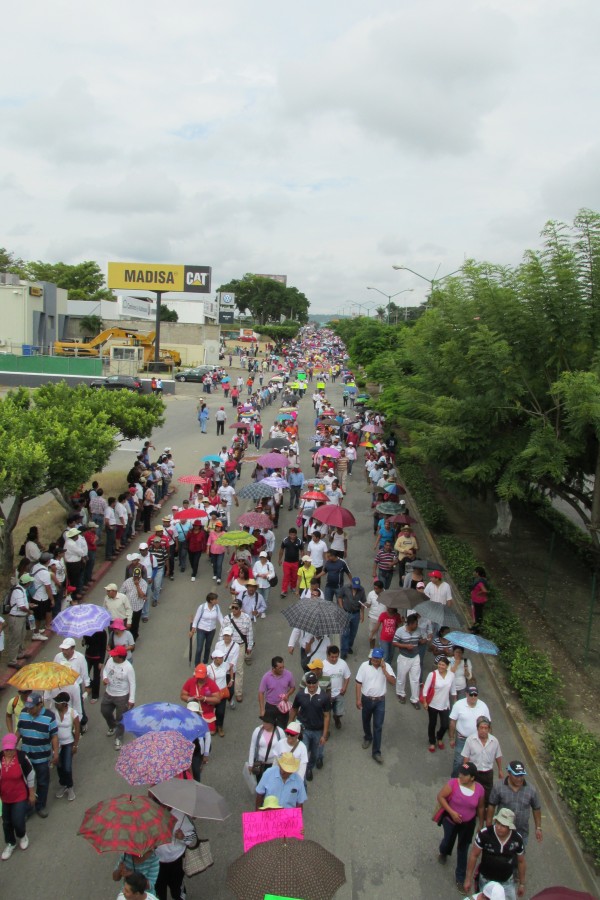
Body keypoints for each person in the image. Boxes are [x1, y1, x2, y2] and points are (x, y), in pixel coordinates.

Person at [436, 761, 485, 891]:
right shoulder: (453, 783)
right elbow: (440, 797)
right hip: (450, 822)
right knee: (447, 841)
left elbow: (480, 807)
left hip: (468, 824)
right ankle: (443, 851)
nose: (461, 776)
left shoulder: (479, 789)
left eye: (465, 774)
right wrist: (452, 813)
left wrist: (481, 824)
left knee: (463, 849)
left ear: (472, 777)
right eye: (460, 773)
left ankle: (460, 877)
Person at [464, 808, 526, 900]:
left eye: (503, 825)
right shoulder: (484, 834)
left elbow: (521, 861)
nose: (498, 827)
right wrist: (468, 878)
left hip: (506, 882)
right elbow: (474, 855)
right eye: (497, 823)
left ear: (510, 827)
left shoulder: (517, 839)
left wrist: (522, 884)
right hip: (486, 881)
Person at [16, 692, 58, 818]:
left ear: (40, 705)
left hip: (42, 757)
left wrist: (56, 753)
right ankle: (28, 808)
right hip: (26, 757)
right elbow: (19, 731)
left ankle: (40, 806)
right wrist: (12, 746)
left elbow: (54, 736)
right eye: (28, 707)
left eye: (32, 707)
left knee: (42, 782)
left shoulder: (50, 716)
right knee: (25, 783)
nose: (29, 710)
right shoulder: (23, 713)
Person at [487, 761, 543, 848]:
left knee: (518, 859)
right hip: (500, 831)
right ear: (509, 773)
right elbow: (491, 805)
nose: (519, 778)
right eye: (516, 776)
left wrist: (538, 828)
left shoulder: (531, 790)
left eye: (521, 775)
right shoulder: (498, 787)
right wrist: (489, 824)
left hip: (521, 833)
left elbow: (536, 808)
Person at [355, 648, 396, 765]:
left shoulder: (386, 666)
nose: (375, 660)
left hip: (380, 701)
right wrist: (358, 699)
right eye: (373, 658)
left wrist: (384, 670)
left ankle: (376, 752)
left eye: (377, 659)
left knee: (378, 726)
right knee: (366, 721)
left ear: (381, 659)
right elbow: (358, 683)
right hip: (366, 699)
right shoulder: (364, 666)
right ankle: (368, 737)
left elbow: (393, 682)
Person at [289, 672, 331, 782]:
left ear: (317, 683)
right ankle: (306, 770)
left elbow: (327, 716)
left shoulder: (324, 696)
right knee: (303, 751)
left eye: (313, 683)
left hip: (318, 730)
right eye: (309, 683)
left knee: (315, 753)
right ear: (306, 683)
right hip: (304, 729)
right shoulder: (300, 695)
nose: (311, 686)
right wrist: (289, 725)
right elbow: (294, 709)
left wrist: (324, 734)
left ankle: (311, 765)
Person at [0, 732, 35, 860]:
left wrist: (31, 793)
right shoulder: (0, 759)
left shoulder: (21, 758)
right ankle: (10, 843)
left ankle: (22, 835)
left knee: (18, 821)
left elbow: (30, 774)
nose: (9, 752)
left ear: (15, 747)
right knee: (7, 822)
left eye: (11, 749)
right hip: (5, 797)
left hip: (19, 795)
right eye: (6, 750)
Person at [154, 806, 197, 900]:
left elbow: (193, 836)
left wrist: (183, 837)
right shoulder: (150, 816)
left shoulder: (181, 815)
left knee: (177, 889)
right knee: (159, 890)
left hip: (177, 861)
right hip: (157, 862)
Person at [449, 687, 491, 777]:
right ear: (466, 694)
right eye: (471, 694)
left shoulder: (483, 706)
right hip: (462, 739)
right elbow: (452, 722)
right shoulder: (458, 704)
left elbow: (488, 724)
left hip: (477, 739)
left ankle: (470, 780)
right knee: (459, 760)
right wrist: (452, 738)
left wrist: (488, 739)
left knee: (474, 761)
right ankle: (454, 780)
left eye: (475, 695)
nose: (473, 697)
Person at [101, 646, 136, 751]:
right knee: (105, 711)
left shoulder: (128, 667)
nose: (112, 655)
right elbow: (105, 671)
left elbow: (132, 683)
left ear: (120, 657)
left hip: (122, 696)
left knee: (120, 718)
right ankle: (112, 726)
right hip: (109, 693)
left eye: (115, 654)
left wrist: (131, 699)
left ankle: (118, 737)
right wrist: (105, 678)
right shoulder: (110, 660)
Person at [462, 716, 503, 805]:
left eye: (486, 728)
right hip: (474, 773)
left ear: (489, 729)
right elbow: (466, 757)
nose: (483, 730)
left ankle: (484, 812)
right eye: (481, 728)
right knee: (472, 793)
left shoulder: (494, 741)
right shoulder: (470, 740)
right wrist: (465, 771)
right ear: (477, 728)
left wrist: (500, 770)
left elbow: (498, 756)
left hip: (488, 773)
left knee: (487, 796)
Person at [422, 656, 456, 753]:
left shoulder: (451, 675)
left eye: (443, 665)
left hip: (445, 704)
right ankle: (432, 741)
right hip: (433, 704)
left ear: (447, 666)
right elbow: (425, 689)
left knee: (445, 725)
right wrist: (425, 701)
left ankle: (439, 737)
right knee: (432, 723)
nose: (440, 666)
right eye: (439, 664)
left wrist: (455, 702)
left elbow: (453, 690)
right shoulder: (432, 674)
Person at [53, 691, 80, 802]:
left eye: (58, 703)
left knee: (67, 766)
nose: (56, 704)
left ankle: (70, 787)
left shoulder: (73, 713)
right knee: (59, 766)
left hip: (69, 743)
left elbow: (77, 729)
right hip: (57, 744)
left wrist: (75, 745)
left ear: (64, 704)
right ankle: (63, 784)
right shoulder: (53, 712)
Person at [180, 664, 221, 734]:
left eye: (201, 677)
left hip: (207, 714)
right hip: (193, 714)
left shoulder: (211, 683)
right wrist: (191, 698)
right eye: (198, 676)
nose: (200, 678)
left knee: (211, 732)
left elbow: (217, 699)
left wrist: (205, 699)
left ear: (206, 675)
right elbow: (182, 696)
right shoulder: (190, 681)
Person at [247, 712, 285, 784]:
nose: (264, 724)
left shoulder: (280, 732)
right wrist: (250, 763)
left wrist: (282, 765)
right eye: (264, 721)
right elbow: (252, 746)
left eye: (267, 722)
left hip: (274, 765)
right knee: (260, 783)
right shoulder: (257, 730)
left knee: (271, 783)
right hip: (260, 764)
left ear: (272, 723)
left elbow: (283, 749)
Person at [258, 657, 296, 729]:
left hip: (283, 706)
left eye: (283, 667)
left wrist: (287, 695)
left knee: (282, 728)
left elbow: (293, 687)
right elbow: (261, 693)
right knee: (268, 727)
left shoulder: (288, 674)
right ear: (274, 668)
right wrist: (262, 710)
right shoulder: (266, 677)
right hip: (270, 706)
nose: (282, 669)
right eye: (280, 668)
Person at [393, 613, 422, 709]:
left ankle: (415, 699)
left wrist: (423, 641)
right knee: (401, 677)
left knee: (415, 679)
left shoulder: (418, 630)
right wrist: (405, 646)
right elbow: (394, 642)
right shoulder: (400, 631)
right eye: (415, 624)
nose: (417, 625)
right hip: (404, 657)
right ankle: (400, 693)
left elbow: (420, 640)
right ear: (409, 624)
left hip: (415, 657)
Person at [5, 573, 33, 669]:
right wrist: (29, 611)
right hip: (16, 617)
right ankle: (12, 661)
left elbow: (22, 604)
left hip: (20, 617)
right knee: (15, 639)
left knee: (21, 636)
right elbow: (21, 606)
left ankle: (20, 653)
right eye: (30, 582)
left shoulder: (21, 590)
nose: (30, 583)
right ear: (27, 583)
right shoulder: (18, 591)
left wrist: (29, 605)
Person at [322, 645, 351, 730]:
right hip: (327, 694)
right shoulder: (323, 665)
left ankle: (337, 718)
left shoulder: (343, 663)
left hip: (339, 693)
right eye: (332, 657)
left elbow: (347, 676)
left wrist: (344, 687)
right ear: (328, 655)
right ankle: (325, 730)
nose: (334, 659)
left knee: (339, 713)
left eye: (336, 657)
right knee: (326, 713)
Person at [191, 592, 223, 666]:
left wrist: (224, 626)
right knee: (199, 648)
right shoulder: (202, 607)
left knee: (208, 647)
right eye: (215, 599)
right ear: (211, 600)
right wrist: (194, 627)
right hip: (201, 629)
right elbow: (196, 618)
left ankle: (205, 662)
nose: (217, 601)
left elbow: (220, 617)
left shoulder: (217, 607)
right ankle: (197, 665)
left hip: (211, 630)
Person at [338, 576, 365, 659]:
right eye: (354, 587)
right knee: (345, 633)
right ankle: (343, 651)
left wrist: (362, 613)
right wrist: (342, 608)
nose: (356, 589)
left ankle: (349, 646)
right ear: (351, 584)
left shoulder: (362, 590)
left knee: (353, 633)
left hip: (356, 614)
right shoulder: (345, 588)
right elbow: (339, 597)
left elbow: (363, 602)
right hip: (346, 612)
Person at [82, 628, 108, 704]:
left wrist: (101, 661)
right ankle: (91, 685)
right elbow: (85, 643)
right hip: (88, 656)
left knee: (96, 676)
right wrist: (84, 641)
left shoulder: (102, 632)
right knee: (84, 674)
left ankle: (95, 695)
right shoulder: (86, 631)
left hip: (98, 657)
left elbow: (103, 647)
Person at [278, 527, 303, 597]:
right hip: (287, 562)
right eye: (291, 535)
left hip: (296, 562)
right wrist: (279, 559)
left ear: (296, 534)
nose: (292, 536)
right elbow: (281, 550)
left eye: (294, 535)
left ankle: (293, 587)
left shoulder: (299, 541)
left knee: (295, 576)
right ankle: (284, 590)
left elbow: (302, 551)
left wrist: (303, 560)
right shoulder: (285, 541)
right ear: (289, 534)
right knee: (286, 576)